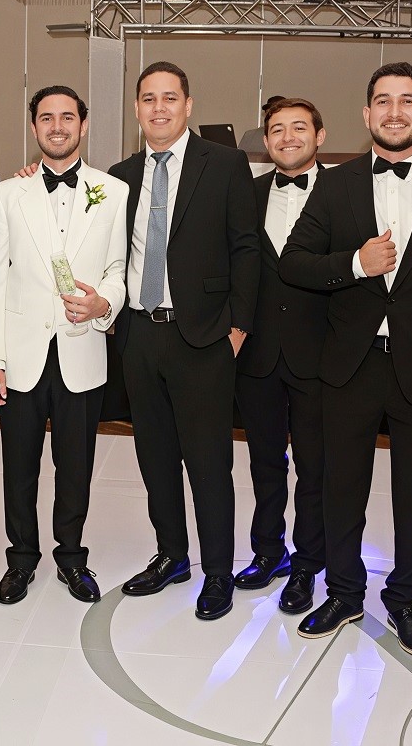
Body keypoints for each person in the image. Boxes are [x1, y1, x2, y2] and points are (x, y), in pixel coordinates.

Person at [280, 62, 412, 656]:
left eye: (408, 100)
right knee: (341, 487)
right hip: (352, 363)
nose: (395, 112)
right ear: (367, 113)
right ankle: (343, 592)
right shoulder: (336, 183)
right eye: (384, 101)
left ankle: (406, 598)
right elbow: (293, 262)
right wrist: (355, 264)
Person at [109, 61, 259, 621]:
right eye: (148, 98)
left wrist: (238, 326)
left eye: (169, 97)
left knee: (209, 463)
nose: (159, 108)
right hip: (139, 336)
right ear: (137, 108)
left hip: (204, 338)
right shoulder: (119, 176)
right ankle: (172, 555)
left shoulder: (224, 163)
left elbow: (246, 248)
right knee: (155, 459)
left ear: (188, 105)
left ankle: (217, 571)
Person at [0, 85, 128, 605]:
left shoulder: (113, 191)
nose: (57, 126)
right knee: (18, 466)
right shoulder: (7, 193)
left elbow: (118, 269)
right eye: (46, 118)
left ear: (83, 125)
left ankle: (71, 556)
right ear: (34, 126)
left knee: (76, 465)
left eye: (67, 117)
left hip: (81, 349)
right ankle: (20, 559)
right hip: (21, 353)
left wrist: (104, 303)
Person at [233, 97, 329, 615]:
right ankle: (268, 551)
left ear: (319, 135)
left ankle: (309, 563)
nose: (287, 137)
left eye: (298, 128)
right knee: (264, 462)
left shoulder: (346, 192)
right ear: (265, 141)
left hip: (321, 357)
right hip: (258, 354)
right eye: (276, 129)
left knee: (315, 468)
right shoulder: (245, 194)